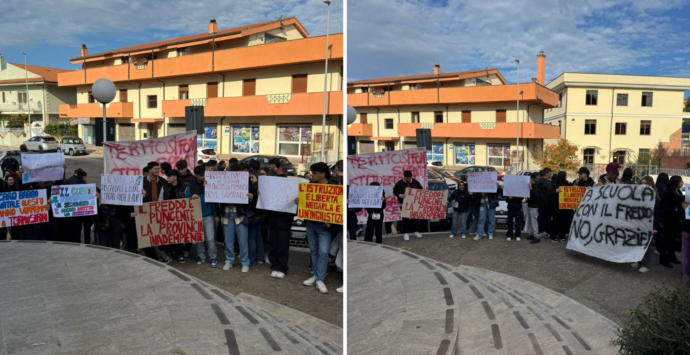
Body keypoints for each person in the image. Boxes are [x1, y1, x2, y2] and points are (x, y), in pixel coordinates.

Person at [297, 162, 335, 294]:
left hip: (324, 227)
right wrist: (299, 202)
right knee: (314, 251)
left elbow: (337, 208)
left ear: (323, 174)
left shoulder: (333, 187)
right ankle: (316, 276)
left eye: (315, 173)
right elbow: (306, 204)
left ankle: (320, 278)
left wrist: (331, 222)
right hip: (311, 224)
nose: (312, 175)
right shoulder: (310, 186)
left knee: (323, 252)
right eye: (312, 173)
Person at [184, 166, 218, 268]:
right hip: (196, 215)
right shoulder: (191, 185)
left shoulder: (210, 183)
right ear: (196, 175)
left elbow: (214, 201)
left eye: (204, 175)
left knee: (210, 239)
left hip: (208, 215)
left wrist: (216, 215)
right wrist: (191, 198)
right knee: (199, 238)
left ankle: (213, 257)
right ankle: (201, 256)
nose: (203, 177)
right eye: (201, 175)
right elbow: (186, 199)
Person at [265, 171, 296, 279]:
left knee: (282, 247)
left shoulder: (292, 194)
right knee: (272, 246)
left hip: (284, 224)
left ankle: (283, 268)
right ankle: (274, 266)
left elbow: (295, 210)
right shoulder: (271, 193)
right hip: (272, 222)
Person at [220, 164, 251, 272]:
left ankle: (245, 262)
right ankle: (229, 260)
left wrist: (250, 198)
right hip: (226, 215)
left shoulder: (245, 185)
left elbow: (249, 203)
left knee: (243, 242)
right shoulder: (222, 185)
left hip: (239, 215)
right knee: (228, 241)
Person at [632, 176, 660, 273]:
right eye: (641, 183)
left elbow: (656, 214)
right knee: (637, 243)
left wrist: (655, 227)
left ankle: (646, 264)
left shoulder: (654, 198)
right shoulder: (637, 196)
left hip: (648, 225)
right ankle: (638, 260)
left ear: (650, 185)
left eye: (645, 183)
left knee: (646, 245)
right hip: (638, 224)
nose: (643, 185)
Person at [158, 169, 187, 263]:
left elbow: (188, 200)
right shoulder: (165, 187)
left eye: (169, 176)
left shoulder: (185, 186)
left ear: (174, 177)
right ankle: (169, 253)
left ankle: (179, 254)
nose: (167, 178)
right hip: (167, 215)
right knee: (168, 235)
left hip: (180, 215)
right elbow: (160, 200)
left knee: (179, 235)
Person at [659, 175, 684, 268]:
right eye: (681, 181)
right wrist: (675, 209)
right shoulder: (668, 193)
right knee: (667, 240)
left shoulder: (678, 192)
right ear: (676, 183)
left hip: (676, 220)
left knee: (672, 240)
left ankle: (671, 256)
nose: (682, 183)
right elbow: (663, 206)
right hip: (669, 220)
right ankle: (663, 259)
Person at [393, 171, 423, 241]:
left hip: (414, 203)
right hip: (403, 203)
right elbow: (395, 191)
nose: (408, 179)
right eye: (407, 178)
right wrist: (400, 195)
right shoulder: (399, 183)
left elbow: (421, 190)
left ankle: (415, 231)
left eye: (409, 178)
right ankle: (405, 233)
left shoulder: (416, 182)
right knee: (405, 218)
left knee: (415, 217)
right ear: (404, 177)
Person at [247, 173, 264, 266]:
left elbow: (253, 203)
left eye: (252, 177)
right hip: (261, 215)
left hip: (253, 215)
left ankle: (252, 260)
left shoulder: (253, 187)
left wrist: (252, 199)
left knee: (252, 238)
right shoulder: (263, 187)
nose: (251, 179)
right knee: (259, 236)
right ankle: (260, 258)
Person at [549, 171, 571, 243]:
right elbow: (549, 194)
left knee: (563, 222)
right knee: (555, 222)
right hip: (556, 206)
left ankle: (562, 236)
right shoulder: (554, 184)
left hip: (564, 207)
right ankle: (553, 236)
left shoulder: (566, 183)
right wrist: (555, 191)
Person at [536, 168, 552, 239]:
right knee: (547, 218)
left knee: (540, 217)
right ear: (547, 174)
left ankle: (540, 230)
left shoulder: (538, 182)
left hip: (539, 202)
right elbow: (549, 194)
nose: (551, 175)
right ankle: (547, 231)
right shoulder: (549, 183)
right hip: (547, 203)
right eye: (550, 173)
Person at [526, 173, 541, 244]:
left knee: (534, 221)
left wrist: (531, 188)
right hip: (530, 205)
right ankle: (532, 234)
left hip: (534, 206)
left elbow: (537, 195)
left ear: (532, 179)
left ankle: (536, 237)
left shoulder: (536, 186)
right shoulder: (532, 186)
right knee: (530, 221)